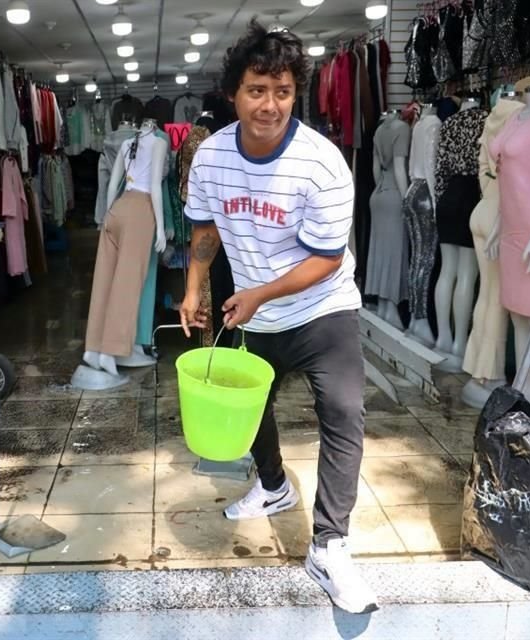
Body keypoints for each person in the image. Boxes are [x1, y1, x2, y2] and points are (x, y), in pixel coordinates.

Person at [180, 18, 377, 614]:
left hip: (323, 309)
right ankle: (272, 487)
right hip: (256, 309)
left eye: (283, 92)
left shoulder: (322, 163)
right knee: (249, 408)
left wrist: (261, 293)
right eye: (257, 91)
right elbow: (205, 228)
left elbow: (327, 257)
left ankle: (330, 544)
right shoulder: (212, 156)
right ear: (234, 94)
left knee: (343, 410)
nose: (270, 105)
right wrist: (193, 289)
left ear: (297, 94)